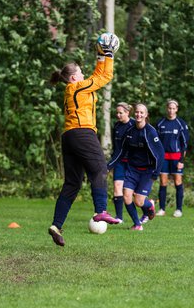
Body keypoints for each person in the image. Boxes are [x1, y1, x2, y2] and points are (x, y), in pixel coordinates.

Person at [48, 32, 120, 246]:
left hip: (69, 136)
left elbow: (98, 73)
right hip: (82, 132)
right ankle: (101, 211)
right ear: (73, 78)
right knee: (99, 168)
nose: (83, 74)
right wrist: (109, 54)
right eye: (80, 72)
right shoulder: (78, 87)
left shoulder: (73, 88)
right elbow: (104, 77)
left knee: (73, 183)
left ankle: (56, 225)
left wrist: (101, 57)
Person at [107, 103, 164, 231]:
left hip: (147, 171)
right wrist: (109, 166)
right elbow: (121, 151)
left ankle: (150, 205)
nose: (138, 114)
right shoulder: (129, 131)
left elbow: (160, 155)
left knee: (139, 201)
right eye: (137, 112)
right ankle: (137, 224)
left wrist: (156, 173)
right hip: (132, 169)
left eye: (141, 112)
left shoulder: (150, 132)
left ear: (146, 115)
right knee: (126, 196)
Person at [156, 99, 189, 218]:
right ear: (167, 109)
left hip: (176, 157)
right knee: (163, 182)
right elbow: (156, 142)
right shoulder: (160, 123)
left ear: (177, 109)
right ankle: (162, 209)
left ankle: (179, 209)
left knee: (177, 182)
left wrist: (181, 161)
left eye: (173, 108)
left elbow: (184, 144)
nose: (171, 110)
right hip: (163, 157)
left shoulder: (181, 124)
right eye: (169, 108)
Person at [110, 102, 135, 224]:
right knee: (117, 186)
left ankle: (147, 207)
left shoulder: (135, 125)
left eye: (121, 113)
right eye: (117, 113)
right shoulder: (116, 126)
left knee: (132, 192)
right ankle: (119, 217)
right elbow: (116, 147)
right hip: (119, 161)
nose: (118, 115)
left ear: (127, 112)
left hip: (133, 163)